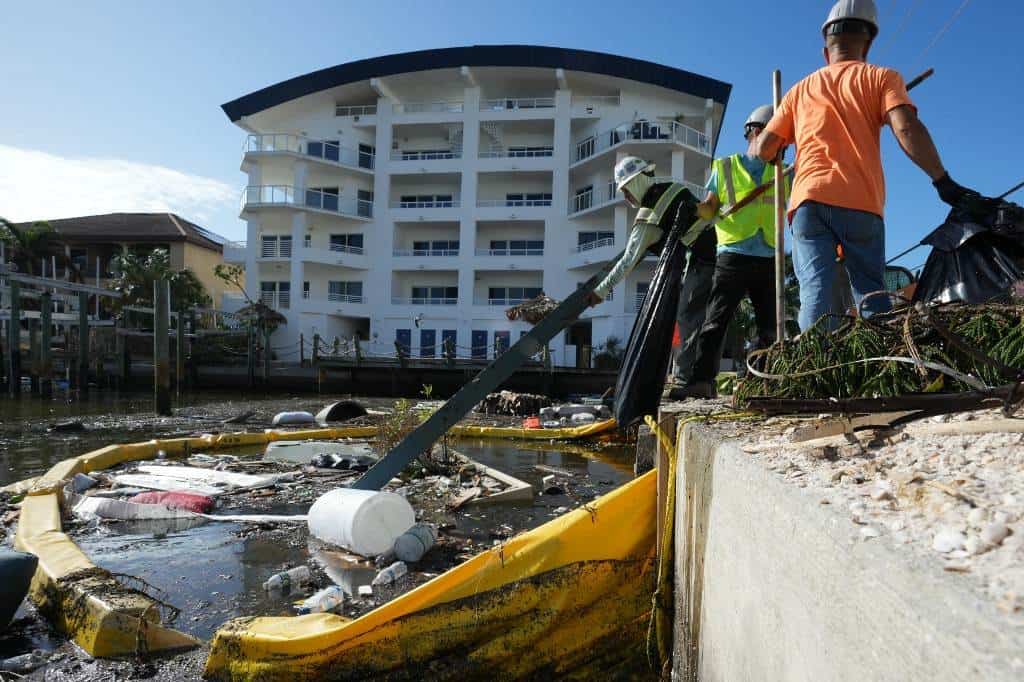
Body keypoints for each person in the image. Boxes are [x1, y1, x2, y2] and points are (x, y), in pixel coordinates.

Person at [753, 0, 986, 331]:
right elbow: (907, 129)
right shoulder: (882, 77)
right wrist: (942, 181)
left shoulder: (798, 91)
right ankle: (877, 370)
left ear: (825, 50)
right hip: (860, 203)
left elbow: (763, 149)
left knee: (815, 294)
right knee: (871, 295)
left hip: (808, 202)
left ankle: (814, 374)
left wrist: (775, 149)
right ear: (868, 44)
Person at [666, 105, 791, 400]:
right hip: (733, 252)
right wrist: (695, 209)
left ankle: (761, 382)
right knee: (716, 321)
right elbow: (710, 207)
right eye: (779, 139)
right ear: (757, 133)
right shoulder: (725, 167)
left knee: (769, 328)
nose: (782, 147)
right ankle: (701, 381)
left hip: (769, 257)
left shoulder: (784, 173)